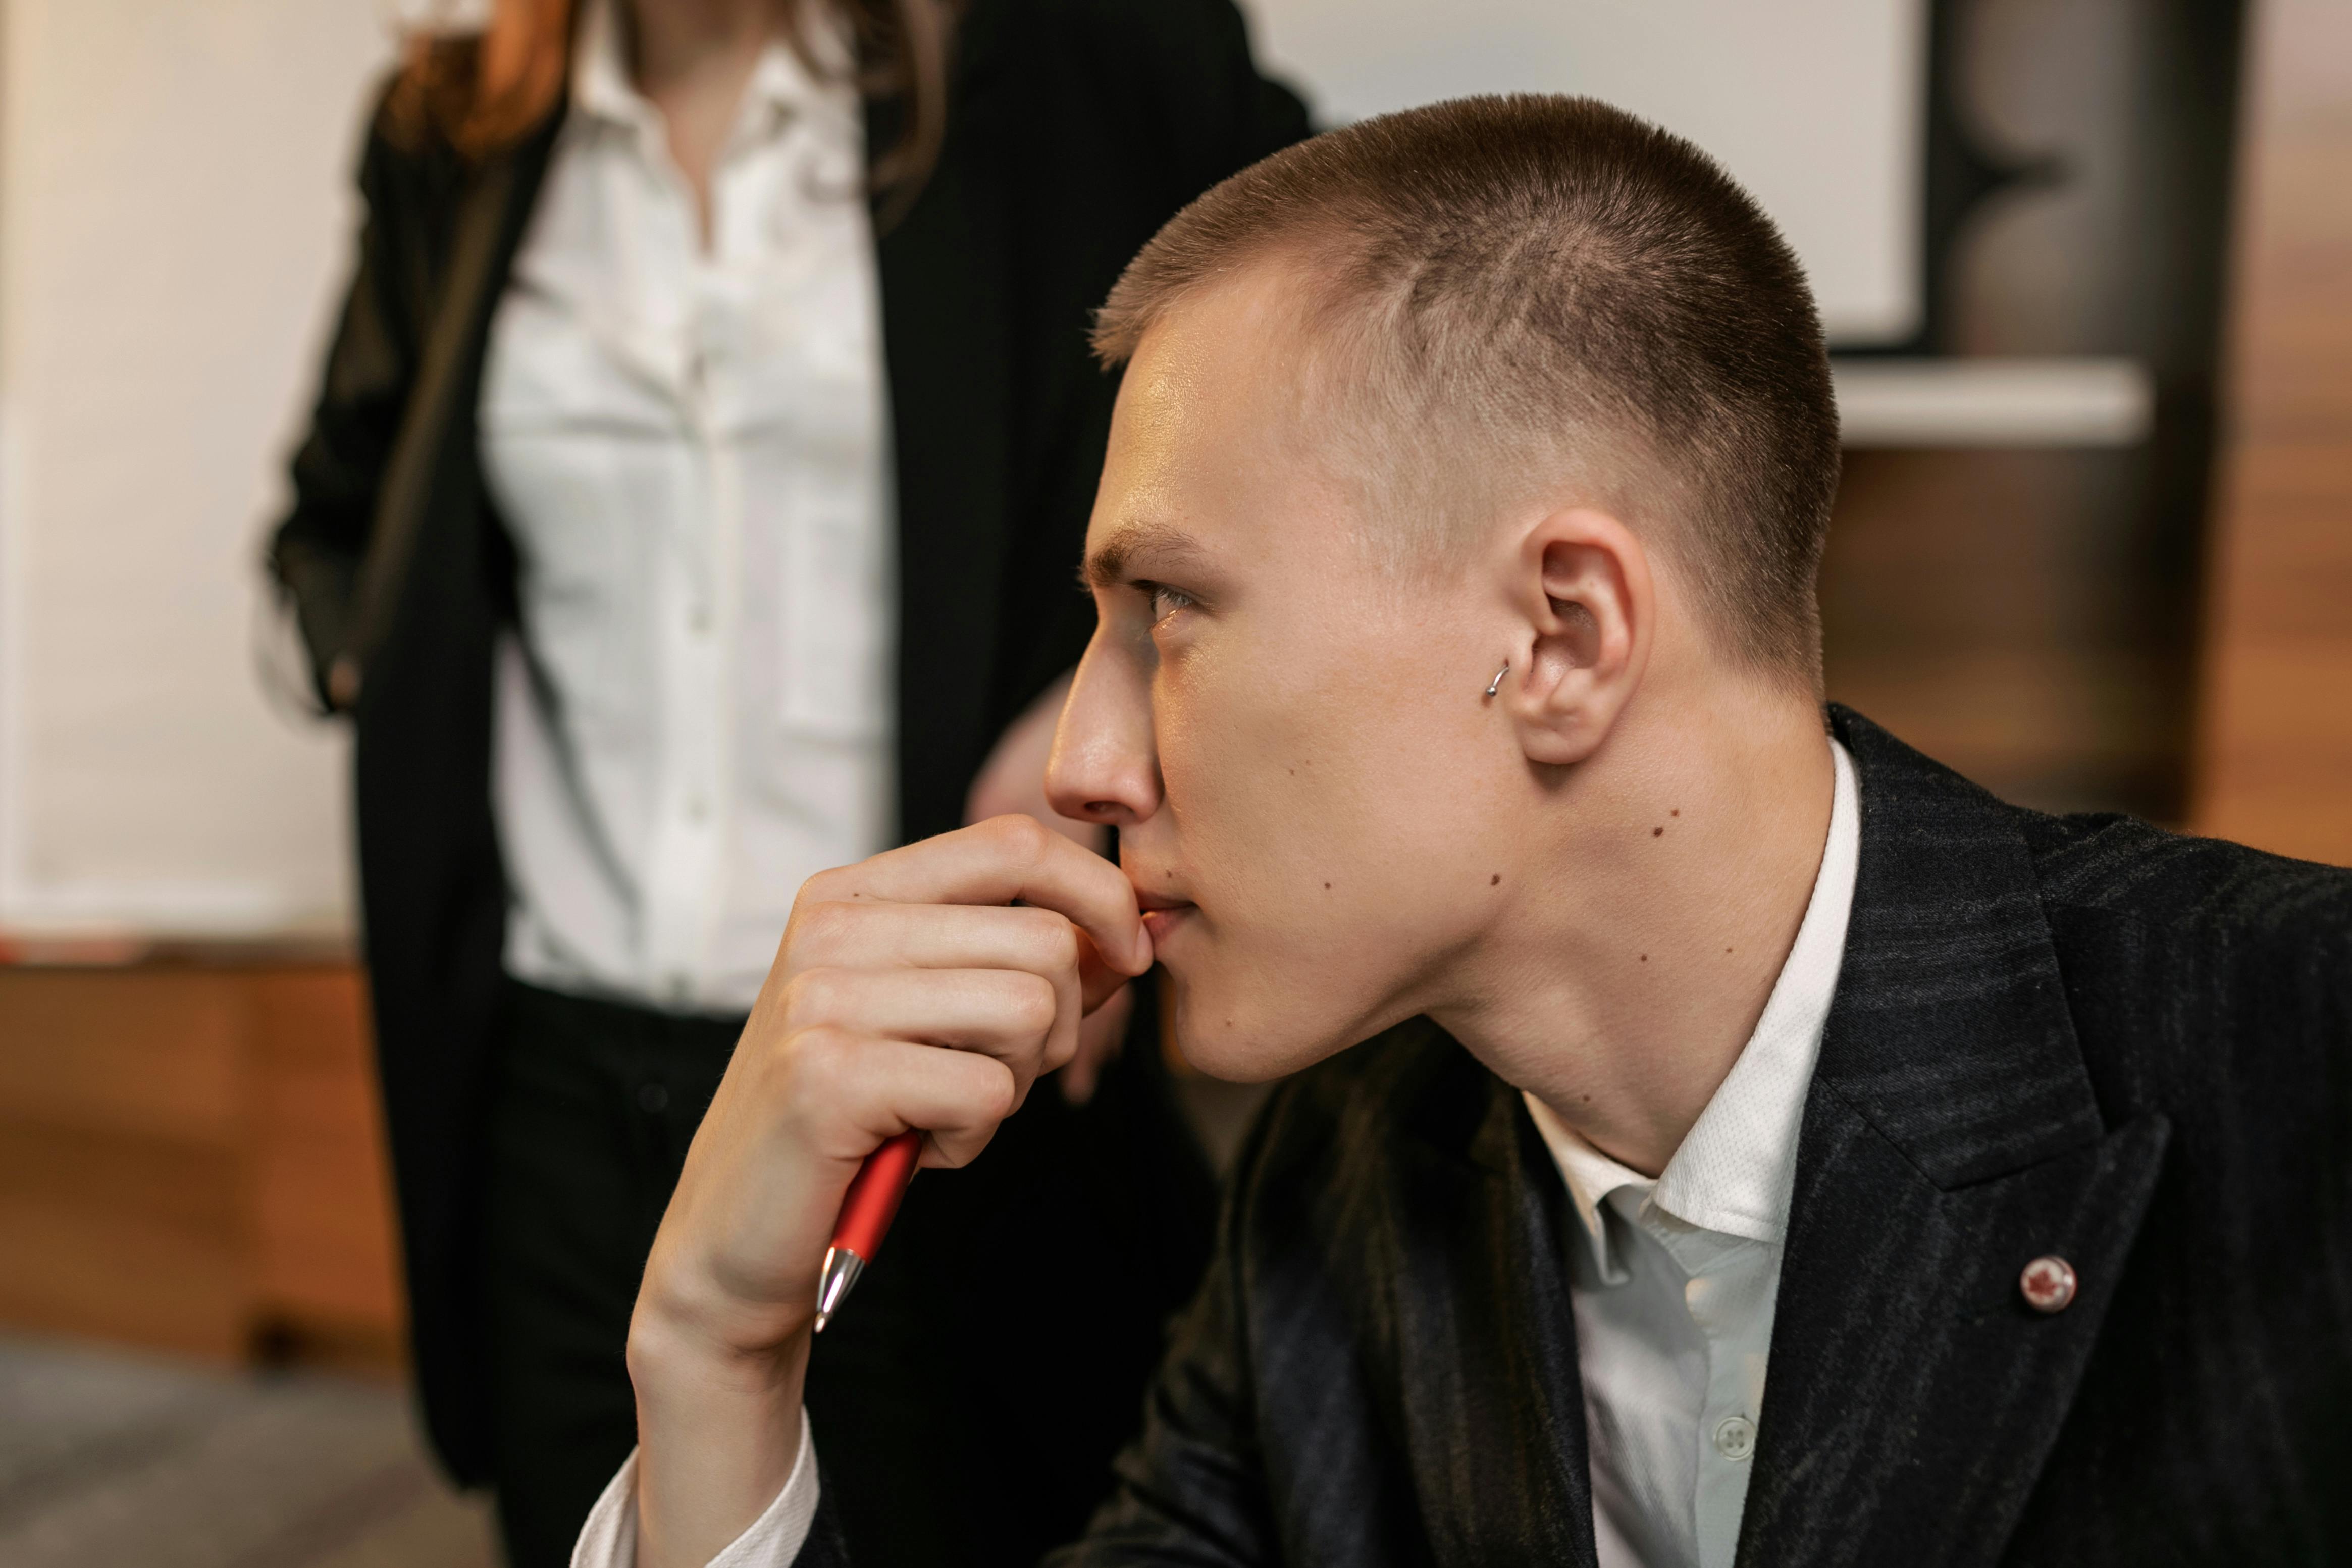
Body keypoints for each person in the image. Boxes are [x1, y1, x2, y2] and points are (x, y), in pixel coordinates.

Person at [572, 94, 2352, 1567]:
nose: (1081, 761)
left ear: (1561, 637)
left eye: (1168, 609)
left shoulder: (2299, 1062)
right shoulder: (1335, 1183)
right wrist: (714, 1355)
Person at [263, 2, 1306, 1563]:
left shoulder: (1089, 57)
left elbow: (1347, 380)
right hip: (560, 1090)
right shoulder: (448, 130)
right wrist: (388, 670)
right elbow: (333, 523)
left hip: (950, 1086)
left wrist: (1124, 683)